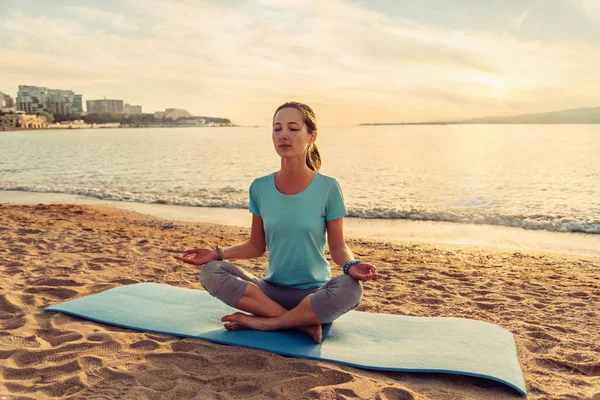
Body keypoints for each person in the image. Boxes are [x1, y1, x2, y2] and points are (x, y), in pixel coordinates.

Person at [175, 102, 378, 343]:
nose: (283, 135)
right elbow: (255, 246)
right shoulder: (260, 187)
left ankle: (267, 323)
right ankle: (299, 324)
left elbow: (337, 247)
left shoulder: (328, 187)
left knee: (352, 288)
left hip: (315, 294)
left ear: (312, 135)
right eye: (277, 128)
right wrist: (216, 253)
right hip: (269, 293)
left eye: (293, 128)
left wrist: (351, 265)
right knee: (211, 272)